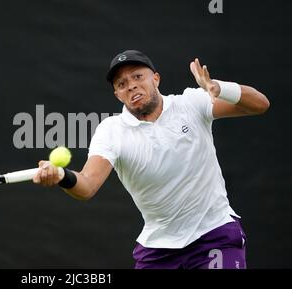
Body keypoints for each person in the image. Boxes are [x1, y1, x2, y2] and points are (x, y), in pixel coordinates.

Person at [33, 50, 270, 269]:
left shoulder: (190, 104)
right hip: (159, 249)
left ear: (155, 79)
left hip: (213, 233)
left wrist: (219, 88)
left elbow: (260, 104)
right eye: (122, 84)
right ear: (117, 94)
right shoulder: (111, 131)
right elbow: (87, 185)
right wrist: (62, 176)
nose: (132, 86)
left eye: (138, 76)